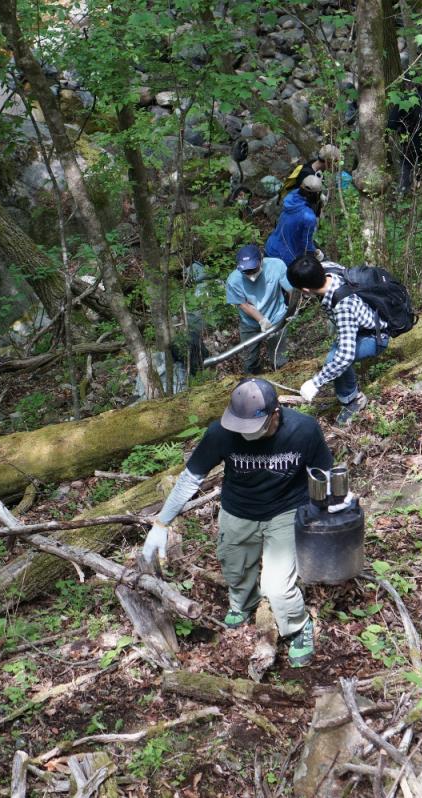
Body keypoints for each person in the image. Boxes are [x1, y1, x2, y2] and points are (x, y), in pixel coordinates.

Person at [142, 378, 334, 668]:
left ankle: (297, 625)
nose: (244, 435)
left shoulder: (303, 429)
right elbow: (190, 479)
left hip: (286, 509)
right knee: (235, 569)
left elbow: (323, 474)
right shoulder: (221, 432)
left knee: (278, 587)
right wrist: (161, 523)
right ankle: (242, 604)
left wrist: (328, 512)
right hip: (238, 510)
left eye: (252, 428)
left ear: (275, 415)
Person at [288, 253, 389, 426]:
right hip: (363, 321)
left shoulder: (343, 306)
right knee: (337, 354)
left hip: (376, 335)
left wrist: (315, 383)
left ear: (305, 290)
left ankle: (353, 400)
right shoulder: (328, 268)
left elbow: (345, 356)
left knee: (334, 358)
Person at [225, 244, 296, 374]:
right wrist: (262, 320)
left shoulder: (277, 266)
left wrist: (291, 311)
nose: (250, 274)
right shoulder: (233, 280)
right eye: (246, 271)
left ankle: (282, 376)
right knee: (249, 359)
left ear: (261, 259)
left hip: (277, 317)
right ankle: (254, 382)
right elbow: (243, 304)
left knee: (279, 355)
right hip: (249, 323)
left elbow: (291, 290)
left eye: (253, 269)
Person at [265, 173, 324, 267]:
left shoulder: (292, 196)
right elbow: (306, 245)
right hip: (284, 257)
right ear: (313, 194)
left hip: (270, 246)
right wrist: (315, 253)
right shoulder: (308, 217)